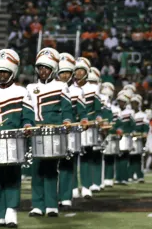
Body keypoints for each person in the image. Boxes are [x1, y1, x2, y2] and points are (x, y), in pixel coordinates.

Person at [0, 49, 34, 228]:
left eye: (5, 71)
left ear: (13, 72)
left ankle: (11, 210)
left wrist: (28, 125)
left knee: (13, 174)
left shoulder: (22, 91)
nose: (2, 75)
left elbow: (28, 115)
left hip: (14, 138)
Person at [26, 47, 73, 217]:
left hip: (54, 130)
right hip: (36, 131)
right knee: (37, 169)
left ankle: (52, 205)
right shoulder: (30, 88)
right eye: (40, 68)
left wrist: (67, 121)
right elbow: (28, 110)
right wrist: (28, 125)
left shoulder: (61, 86)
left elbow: (67, 109)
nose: (42, 71)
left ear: (53, 69)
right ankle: (38, 205)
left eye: (46, 68)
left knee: (51, 168)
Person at [56, 53, 86, 207]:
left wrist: (84, 120)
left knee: (67, 164)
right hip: (53, 131)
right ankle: (53, 197)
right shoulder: (52, 88)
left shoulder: (77, 91)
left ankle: (66, 196)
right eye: (62, 72)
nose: (65, 75)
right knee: (52, 165)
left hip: (71, 132)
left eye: (67, 72)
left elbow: (83, 112)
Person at [74, 58, 101, 196]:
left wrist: (98, 117)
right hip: (72, 126)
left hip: (88, 126)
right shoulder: (68, 87)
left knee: (86, 156)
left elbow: (98, 108)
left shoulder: (93, 88)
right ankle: (72, 187)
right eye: (76, 70)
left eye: (81, 70)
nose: (78, 73)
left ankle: (86, 186)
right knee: (70, 157)